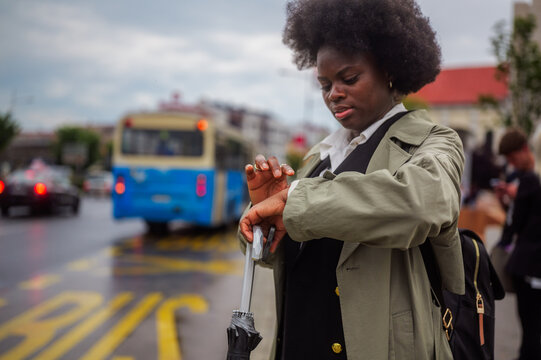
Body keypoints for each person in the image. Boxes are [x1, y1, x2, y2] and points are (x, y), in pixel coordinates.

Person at [238, 0, 465, 359]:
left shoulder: (434, 141)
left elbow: (423, 204)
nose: (333, 94)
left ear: (390, 70)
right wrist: (264, 219)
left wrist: (294, 200)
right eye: (325, 84)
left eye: (349, 78)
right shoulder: (318, 156)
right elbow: (280, 255)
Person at [496, 128, 541, 360]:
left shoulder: (530, 181)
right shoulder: (529, 180)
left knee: (531, 327)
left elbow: (515, 224)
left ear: (526, 149)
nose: (512, 165)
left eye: (513, 159)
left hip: (530, 265)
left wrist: (512, 200)